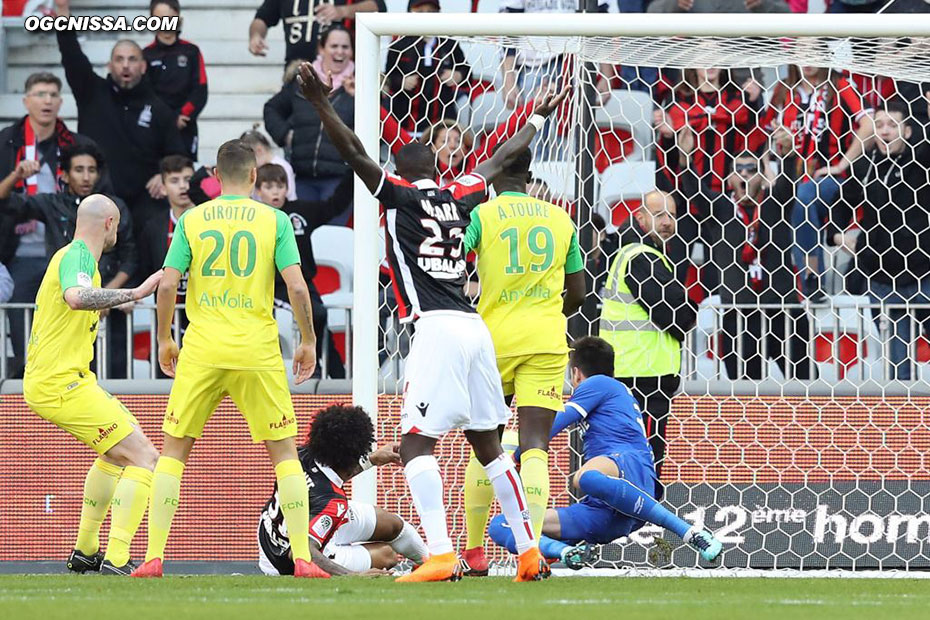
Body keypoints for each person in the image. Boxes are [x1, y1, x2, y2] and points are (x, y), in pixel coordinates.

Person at [298, 63, 569, 582]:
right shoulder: (460, 192)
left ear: (399, 170)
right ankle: (530, 554)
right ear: (436, 169)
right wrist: (536, 114)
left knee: (417, 445)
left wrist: (320, 104)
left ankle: (442, 555)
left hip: (437, 328)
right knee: (490, 446)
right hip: (476, 329)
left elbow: (354, 152)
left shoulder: (398, 195)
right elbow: (501, 159)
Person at [131, 140, 322, 579]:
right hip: (256, 348)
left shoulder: (192, 218)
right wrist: (307, 339)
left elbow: (166, 284)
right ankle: (303, 559)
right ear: (254, 176)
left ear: (215, 176)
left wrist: (164, 339)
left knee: (174, 452)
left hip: (202, 347)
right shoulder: (274, 220)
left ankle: (154, 557)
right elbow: (296, 286)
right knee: (285, 454)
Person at [460, 146, 586, 575]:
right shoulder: (560, 218)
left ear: (494, 174)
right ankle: (529, 553)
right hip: (547, 340)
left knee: (486, 446)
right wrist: (545, 312)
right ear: (530, 174)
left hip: (492, 341)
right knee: (535, 447)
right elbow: (580, 294)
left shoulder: (481, 216)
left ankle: (474, 552)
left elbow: (452, 261)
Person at [487, 337, 723, 566]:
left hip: (630, 467)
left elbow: (558, 421)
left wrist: (517, 456)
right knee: (503, 525)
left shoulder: (599, 383)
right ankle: (567, 553)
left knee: (583, 477)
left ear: (576, 373)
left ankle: (689, 533)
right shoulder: (613, 392)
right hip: (603, 512)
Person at [23, 194, 163, 575]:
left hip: (66, 379)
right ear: (110, 223)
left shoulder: (74, 258)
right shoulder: (80, 257)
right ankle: (118, 559)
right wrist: (133, 293)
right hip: (60, 382)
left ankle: (86, 550)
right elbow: (75, 297)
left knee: (115, 454)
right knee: (145, 458)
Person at [1, 143, 138, 379]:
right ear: (64, 174)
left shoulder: (112, 207)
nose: (86, 177)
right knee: (67, 373)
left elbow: (130, 257)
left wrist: (105, 296)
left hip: (107, 302)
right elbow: (5, 202)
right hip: (68, 303)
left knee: (113, 374)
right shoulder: (51, 203)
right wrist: (16, 176)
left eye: (92, 170)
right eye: (79, 170)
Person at [679, 139, 812, 381]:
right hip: (739, 316)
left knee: (805, 391)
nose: (744, 175)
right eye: (738, 170)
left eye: (751, 170)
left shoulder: (776, 203)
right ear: (729, 179)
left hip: (783, 312)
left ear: (762, 177)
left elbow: (788, 183)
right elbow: (695, 192)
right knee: (745, 398)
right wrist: (686, 159)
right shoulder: (720, 209)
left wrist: (789, 153)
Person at [54, 0, 186, 231]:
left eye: (132, 59)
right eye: (119, 59)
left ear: (144, 66)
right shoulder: (90, 92)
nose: (126, 66)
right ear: (109, 65)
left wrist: (162, 175)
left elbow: (177, 155)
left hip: (145, 208)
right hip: (95, 202)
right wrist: (63, 12)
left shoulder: (160, 108)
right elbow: (71, 55)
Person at [258, 404, 429, 576]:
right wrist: (351, 576)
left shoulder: (302, 454)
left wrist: (372, 459)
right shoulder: (332, 502)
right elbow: (302, 552)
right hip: (285, 560)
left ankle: (432, 562)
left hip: (276, 529)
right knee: (387, 555)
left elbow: (331, 474)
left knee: (392, 524)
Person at [831, 101, 930, 381]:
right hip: (883, 280)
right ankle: (908, 421)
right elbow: (839, 205)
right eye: (879, 125)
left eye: (892, 125)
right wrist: (838, 235)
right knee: (899, 371)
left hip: (924, 275)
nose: (885, 131)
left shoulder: (920, 163)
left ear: (908, 131)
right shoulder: (864, 167)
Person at [601, 190, 696, 476]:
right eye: (659, 215)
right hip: (643, 376)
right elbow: (678, 315)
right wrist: (689, 306)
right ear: (640, 217)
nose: (667, 222)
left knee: (627, 453)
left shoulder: (640, 253)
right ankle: (640, 511)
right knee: (646, 457)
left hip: (632, 371)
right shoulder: (642, 257)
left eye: (672, 216)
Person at [0, 71, 88, 378]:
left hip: (64, 251)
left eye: (52, 95)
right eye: (40, 94)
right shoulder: (5, 142)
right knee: (24, 328)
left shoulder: (75, 145)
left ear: (61, 101)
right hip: (19, 252)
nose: (47, 101)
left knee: (69, 323)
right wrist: (15, 176)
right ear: (25, 100)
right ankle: (29, 384)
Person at [767, 65, 874, 300]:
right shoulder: (783, 90)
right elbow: (761, 133)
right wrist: (767, 168)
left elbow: (869, 125)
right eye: (803, 49)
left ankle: (812, 278)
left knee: (802, 198)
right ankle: (782, 290)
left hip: (831, 178)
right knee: (789, 201)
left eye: (814, 47)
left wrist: (842, 164)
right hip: (788, 177)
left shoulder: (840, 85)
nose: (809, 58)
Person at [254, 162, 349, 378]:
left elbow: (334, 206)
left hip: (302, 281)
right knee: (259, 323)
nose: (275, 191)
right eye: (268, 187)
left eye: (280, 186)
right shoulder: (253, 216)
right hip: (267, 284)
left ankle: (334, 374)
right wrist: (197, 184)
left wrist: (352, 169)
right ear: (258, 191)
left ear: (287, 188)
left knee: (318, 315)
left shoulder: (301, 211)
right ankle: (268, 371)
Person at [264, 25, 354, 204]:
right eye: (334, 46)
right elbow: (271, 108)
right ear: (321, 49)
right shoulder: (302, 80)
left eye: (345, 47)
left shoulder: (361, 82)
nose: (340, 52)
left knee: (333, 231)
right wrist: (286, 136)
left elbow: (378, 124)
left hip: (340, 180)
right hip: (302, 178)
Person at [136, 154, 196, 377]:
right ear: (162, 186)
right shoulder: (153, 226)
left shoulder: (210, 221)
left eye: (188, 179)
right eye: (175, 180)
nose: (183, 186)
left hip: (204, 324)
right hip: (167, 325)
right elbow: (144, 268)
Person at [384, 0, 470, 135]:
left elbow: (467, 72)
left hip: (442, 125)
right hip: (406, 122)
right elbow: (388, 78)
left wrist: (458, 75)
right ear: (409, 14)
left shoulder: (448, 43)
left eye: (430, 12)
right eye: (420, 12)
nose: (425, 16)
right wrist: (401, 82)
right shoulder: (399, 45)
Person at [143, 0, 209, 160]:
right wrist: (166, 119)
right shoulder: (145, 55)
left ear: (179, 19)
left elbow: (200, 89)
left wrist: (181, 116)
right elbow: (145, 93)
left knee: (184, 175)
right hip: (156, 127)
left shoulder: (191, 51)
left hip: (185, 125)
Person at [249, 0, 384, 66]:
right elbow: (262, 18)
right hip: (296, 72)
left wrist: (343, 11)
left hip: (340, 76)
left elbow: (378, 7)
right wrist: (256, 36)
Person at [241, 128, 297, 201]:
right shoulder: (254, 170)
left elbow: (290, 196)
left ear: (259, 150)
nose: (248, 164)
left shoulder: (283, 167)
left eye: (248, 159)